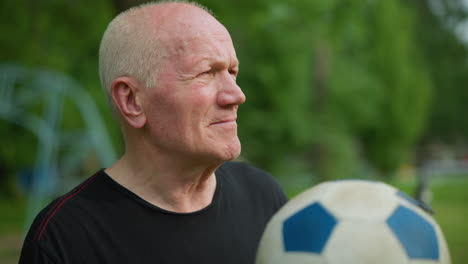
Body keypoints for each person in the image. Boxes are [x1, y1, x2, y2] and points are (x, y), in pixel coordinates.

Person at [18, 1, 288, 264]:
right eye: (206, 73)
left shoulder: (262, 196)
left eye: (232, 71)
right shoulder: (64, 240)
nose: (237, 95)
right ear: (132, 101)